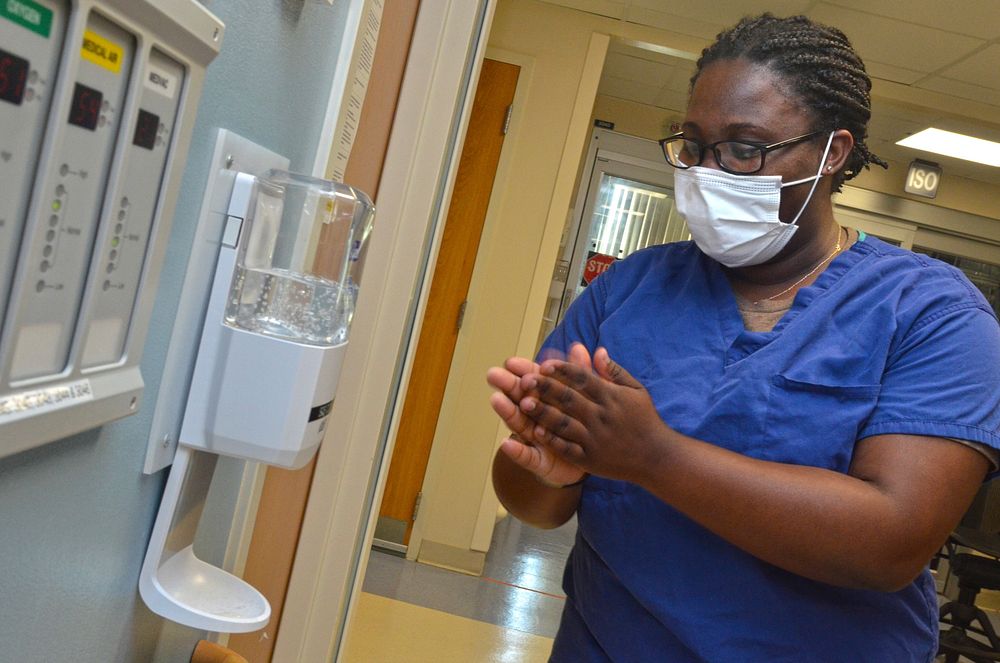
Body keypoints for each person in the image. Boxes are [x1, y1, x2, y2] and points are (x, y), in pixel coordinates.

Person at [487, 13, 1000, 662]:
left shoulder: (933, 312)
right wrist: (551, 470)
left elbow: (892, 542)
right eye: (694, 145)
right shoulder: (630, 289)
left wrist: (653, 455)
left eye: (744, 147)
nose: (708, 170)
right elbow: (531, 499)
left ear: (832, 152)